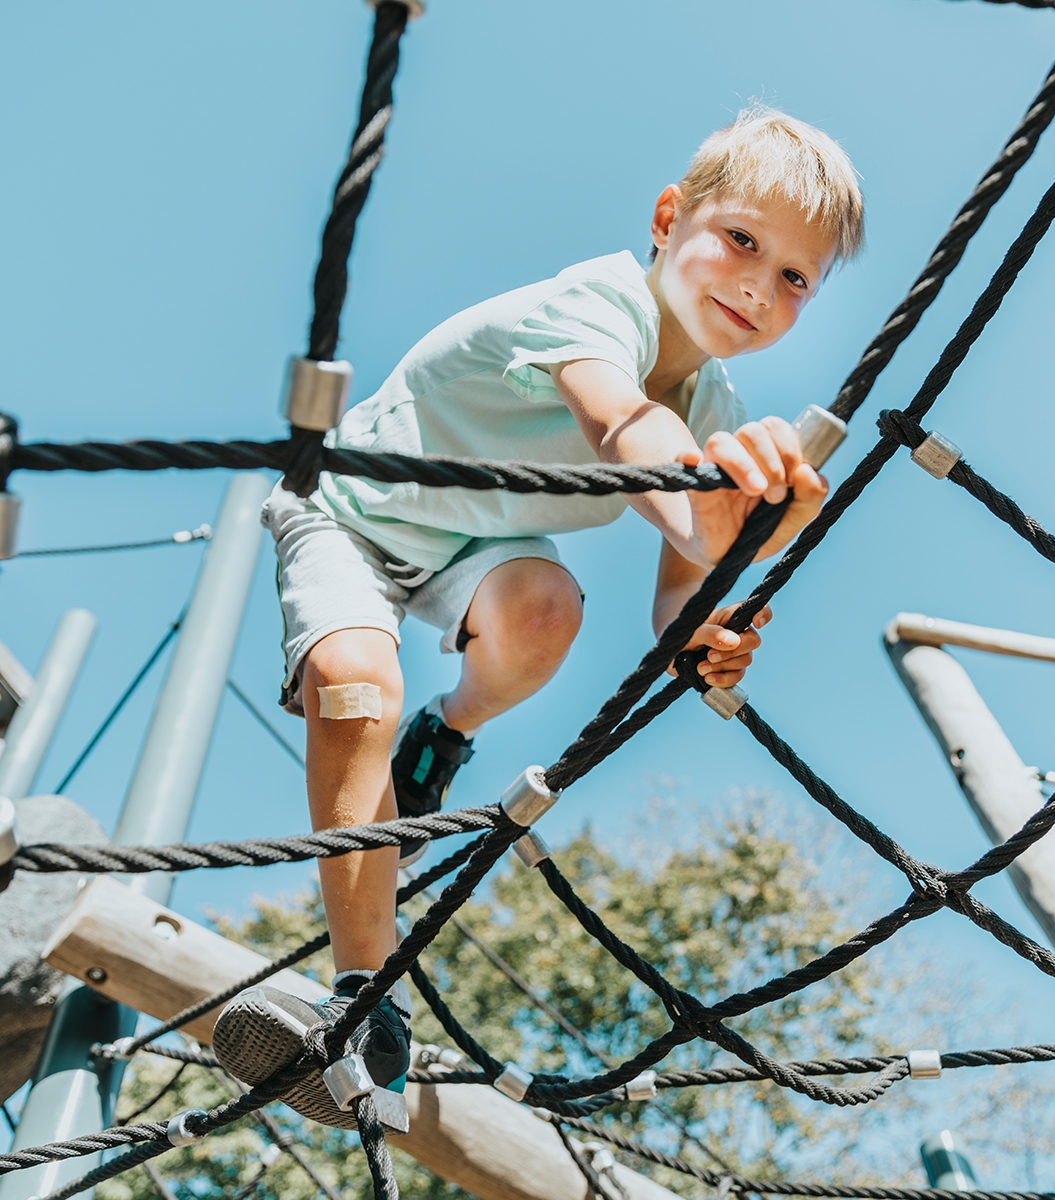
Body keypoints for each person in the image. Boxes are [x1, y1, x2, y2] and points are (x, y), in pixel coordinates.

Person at [212, 105, 864, 1126]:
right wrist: (731, 521)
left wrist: (710, 625)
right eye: (743, 240)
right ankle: (360, 993)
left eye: (794, 277)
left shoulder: (718, 410)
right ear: (667, 219)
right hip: (353, 507)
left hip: (475, 544)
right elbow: (620, 425)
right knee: (351, 679)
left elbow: (679, 594)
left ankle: (446, 736)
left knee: (547, 611)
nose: (757, 282)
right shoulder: (596, 305)